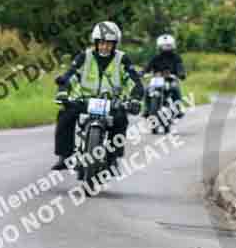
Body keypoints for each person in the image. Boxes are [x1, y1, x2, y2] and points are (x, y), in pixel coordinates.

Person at [51, 21, 144, 171]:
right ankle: (64, 156)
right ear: (95, 42)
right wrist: (63, 91)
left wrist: (135, 99)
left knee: (121, 119)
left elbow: (135, 82)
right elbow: (70, 75)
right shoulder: (84, 57)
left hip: (112, 103)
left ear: (115, 44)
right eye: (101, 43)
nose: (104, 47)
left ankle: (112, 157)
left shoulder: (122, 59)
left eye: (109, 44)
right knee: (64, 115)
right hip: (85, 101)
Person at [144, 34, 186, 117]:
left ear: (172, 46)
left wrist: (181, 73)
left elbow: (179, 67)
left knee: (175, 88)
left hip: (171, 79)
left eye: (168, 46)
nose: (166, 48)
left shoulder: (176, 57)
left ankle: (178, 108)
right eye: (163, 46)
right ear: (159, 46)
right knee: (147, 90)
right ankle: (146, 109)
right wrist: (142, 72)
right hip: (157, 80)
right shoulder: (156, 58)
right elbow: (148, 67)